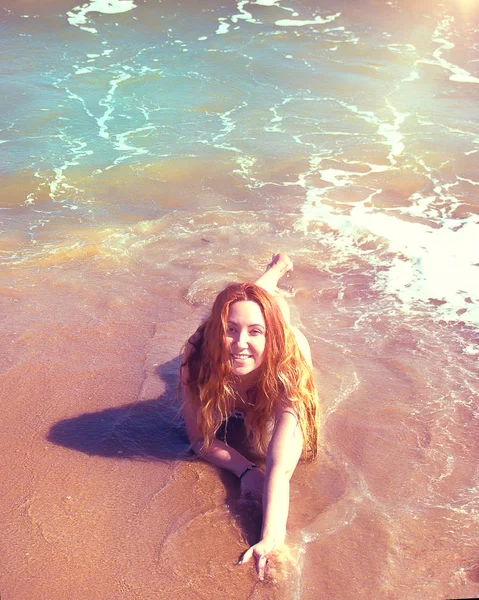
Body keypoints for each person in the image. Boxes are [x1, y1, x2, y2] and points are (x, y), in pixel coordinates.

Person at [180, 253, 320, 580]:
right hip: (223, 350)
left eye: (256, 332)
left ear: (270, 338)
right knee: (248, 301)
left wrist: (271, 537)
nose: (240, 343)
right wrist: (244, 470)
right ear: (217, 330)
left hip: (279, 356)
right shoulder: (198, 350)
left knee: (267, 303)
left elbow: (280, 462)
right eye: (230, 329)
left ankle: (274, 272)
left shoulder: (290, 364)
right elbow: (198, 438)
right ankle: (271, 275)